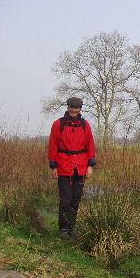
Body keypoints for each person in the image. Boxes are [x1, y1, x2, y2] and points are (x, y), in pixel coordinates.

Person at [48, 97, 96, 238]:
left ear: (80, 109)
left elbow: (90, 145)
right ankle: (63, 229)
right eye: (72, 107)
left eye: (77, 108)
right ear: (68, 107)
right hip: (63, 165)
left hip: (80, 167)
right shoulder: (58, 124)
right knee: (65, 199)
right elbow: (53, 145)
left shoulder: (85, 125)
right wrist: (53, 166)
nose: (74, 110)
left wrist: (90, 166)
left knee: (76, 198)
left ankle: (71, 228)